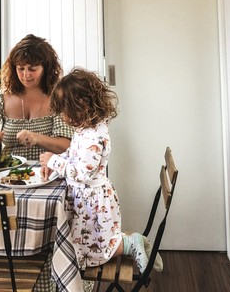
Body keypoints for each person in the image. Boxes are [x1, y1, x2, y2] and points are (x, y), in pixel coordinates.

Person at [39, 68, 162, 274]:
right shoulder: (84, 130)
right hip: (84, 200)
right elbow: (74, 155)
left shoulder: (94, 136)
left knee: (94, 250)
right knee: (84, 244)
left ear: (82, 105)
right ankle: (125, 243)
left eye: (65, 111)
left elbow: (83, 173)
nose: (63, 117)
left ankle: (131, 244)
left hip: (92, 203)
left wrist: (53, 161)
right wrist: (57, 160)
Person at [0, 34, 73, 161]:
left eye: (32, 69)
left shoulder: (59, 98)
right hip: (9, 175)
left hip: (49, 173)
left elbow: (67, 146)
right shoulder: (1, 98)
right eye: (20, 68)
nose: (26, 75)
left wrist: (37, 138)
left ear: (46, 68)